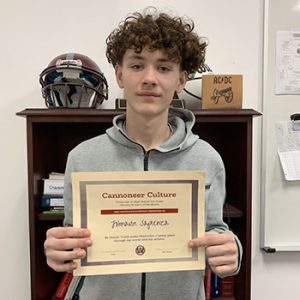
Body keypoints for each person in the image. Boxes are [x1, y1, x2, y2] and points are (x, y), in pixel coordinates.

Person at [44, 7, 242, 300]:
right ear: (120, 75)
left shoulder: (207, 158)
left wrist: (231, 249)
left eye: (164, 68)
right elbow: (73, 236)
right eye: (137, 66)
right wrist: (58, 250)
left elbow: (215, 230)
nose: (150, 78)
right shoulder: (82, 157)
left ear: (182, 80)